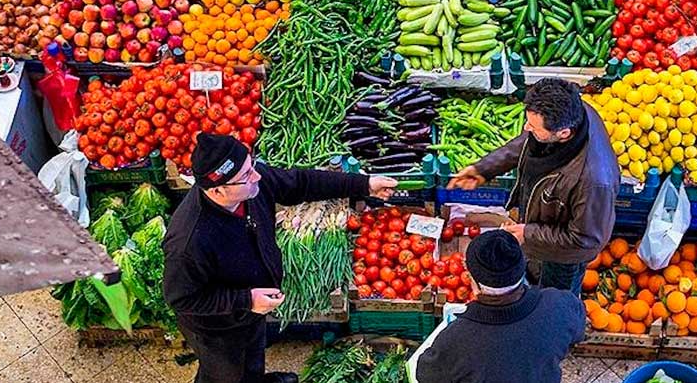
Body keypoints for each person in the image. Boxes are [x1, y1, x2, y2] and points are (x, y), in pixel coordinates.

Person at [163, 133, 397, 383]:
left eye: (252, 165)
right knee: (225, 373)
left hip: (252, 307)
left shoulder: (250, 185)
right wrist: (246, 300)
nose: (257, 176)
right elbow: (181, 299)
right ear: (218, 190)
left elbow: (300, 183)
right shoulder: (188, 242)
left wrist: (364, 184)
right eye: (246, 176)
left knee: (253, 354)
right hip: (217, 327)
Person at [448, 78, 619, 295]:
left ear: (564, 133)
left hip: (562, 257)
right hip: (543, 225)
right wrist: (485, 168)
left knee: (554, 298)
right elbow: (528, 141)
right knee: (534, 273)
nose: (526, 128)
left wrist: (528, 233)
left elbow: (586, 241)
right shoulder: (572, 110)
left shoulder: (594, 182)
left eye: (534, 126)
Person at [414, 230, 585, 383]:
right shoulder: (561, 305)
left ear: (473, 280)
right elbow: (576, 334)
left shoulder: (455, 340)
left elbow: (425, 374)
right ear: (522, 268)